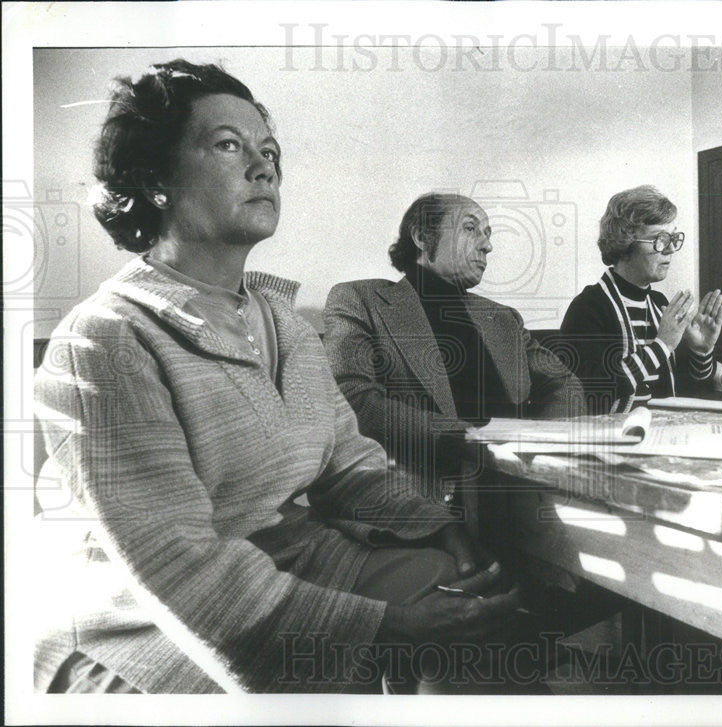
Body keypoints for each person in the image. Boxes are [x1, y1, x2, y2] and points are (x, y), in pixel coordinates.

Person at [33, 60, 522, 694]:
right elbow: (180, 567)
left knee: (477, 607)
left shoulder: (285, 324)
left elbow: (350, 466)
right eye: (228, 145)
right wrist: (387, 625)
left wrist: (445, 527)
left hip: (291, 558)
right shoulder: (104, 338)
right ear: (154, 178)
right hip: (138, 623)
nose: (264, 167)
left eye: (269, 151)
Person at [323, 192, 585, 477]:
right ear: (422, 237)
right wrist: (469, 440)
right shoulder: (360, 299)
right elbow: (352, 398)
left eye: (488, 234)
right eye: (470, 228)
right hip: (424, 491)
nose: (488, 246)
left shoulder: (502, 317)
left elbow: (563, 382)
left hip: (519, 481)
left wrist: (538, 442)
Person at [560, 185, 722, 414]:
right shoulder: (588, 307)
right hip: (611, 439)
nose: (670, 249)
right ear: (625, 242)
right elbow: (594, 393)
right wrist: (663, 345)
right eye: (660, 239)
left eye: (673, 238)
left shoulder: (659, 303)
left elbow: (684, 393)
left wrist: (701, 352)